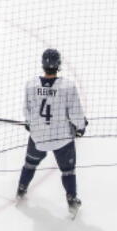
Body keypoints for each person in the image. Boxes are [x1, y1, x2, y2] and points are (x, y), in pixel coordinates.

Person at [17, 48, 87, 217]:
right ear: (59, 65)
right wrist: (80, 127)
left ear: (43, 64)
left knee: (30, 164)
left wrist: (29, 123)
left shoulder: (31, 84)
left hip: (38, 137)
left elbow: (26, 110)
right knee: (68, 170)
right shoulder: (68, 86)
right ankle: (71, 201)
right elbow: (75, 113)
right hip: (62, 138)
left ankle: (21, 190)